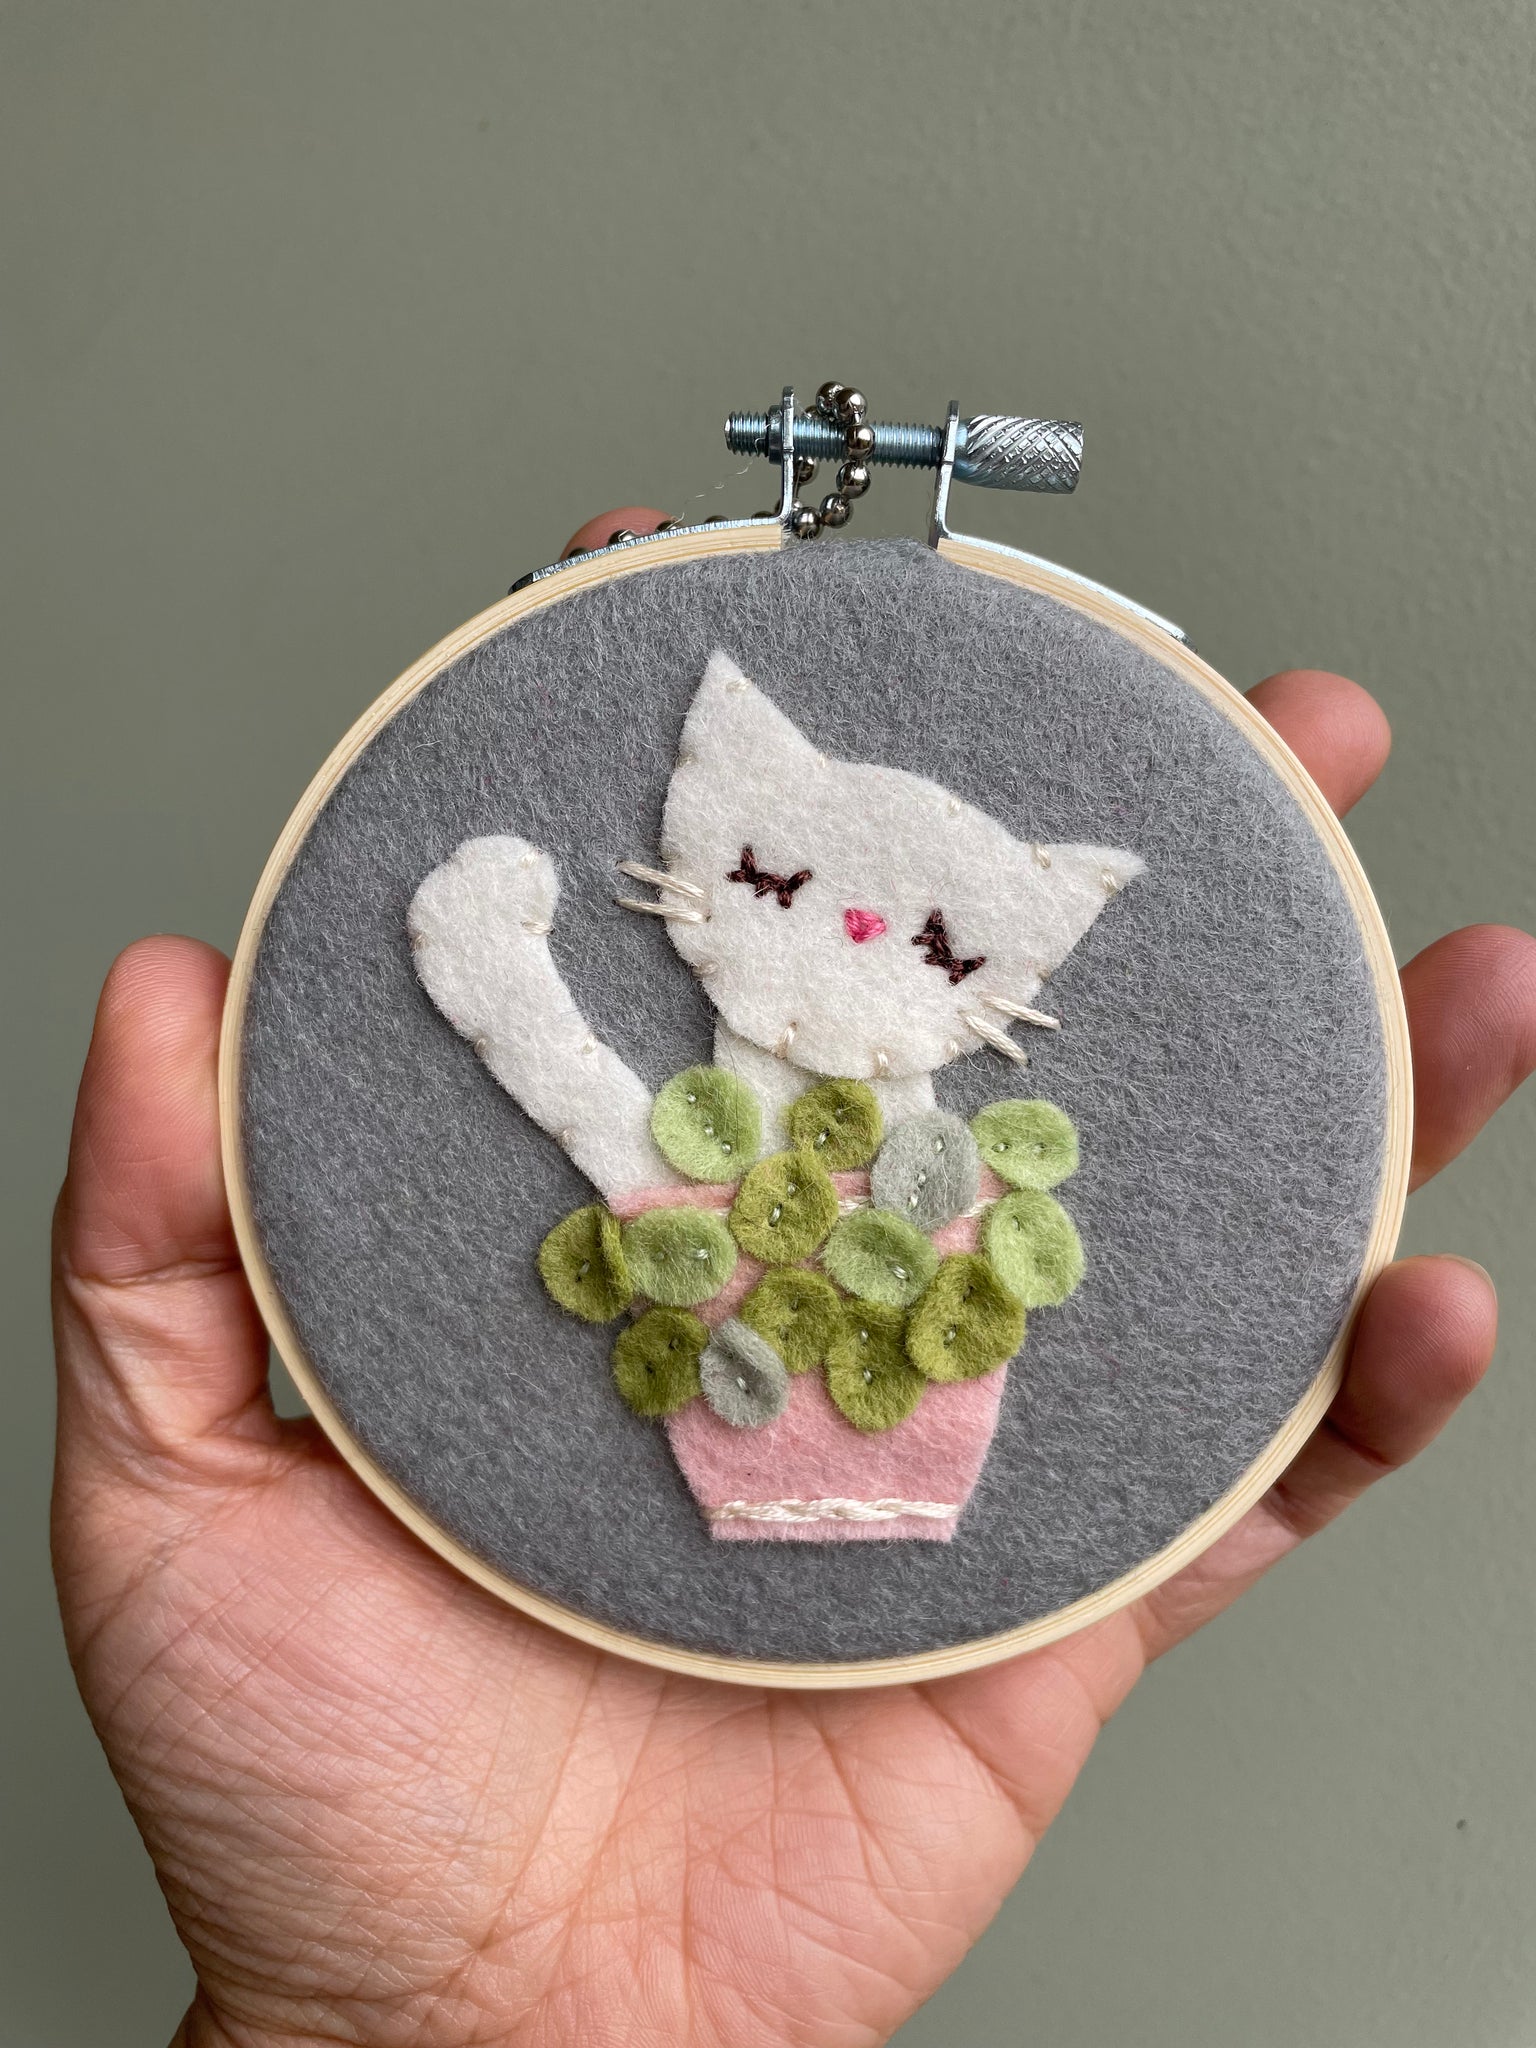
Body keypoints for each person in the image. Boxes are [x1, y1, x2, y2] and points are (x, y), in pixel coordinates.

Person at [51, 509, 1536, 2048]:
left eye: (942, 950)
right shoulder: (775, 1145)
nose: (864, 935)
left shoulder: (931, 1175)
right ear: (704, 817)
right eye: (768, 871)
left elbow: (612, 1129)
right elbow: (618, 1136)